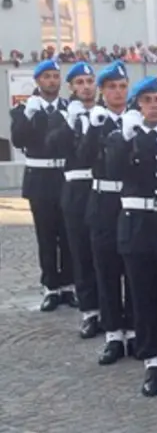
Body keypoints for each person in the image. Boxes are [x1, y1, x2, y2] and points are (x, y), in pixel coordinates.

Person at [106, 76, 157, 396]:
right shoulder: (120, 136)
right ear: (137, 105)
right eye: (147, 101)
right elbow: (112, 171)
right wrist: (127, 138)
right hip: (137, 223)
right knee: (142, 296)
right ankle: (152, 361)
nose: (154, 106)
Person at [80, 62, 135, 364]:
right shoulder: (95, 120)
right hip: (103, 201)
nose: (117, 92)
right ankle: (114, 334)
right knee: (107, 270)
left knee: (134, 272)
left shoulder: (136, 120)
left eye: (122, 86)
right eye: (111, 86)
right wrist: (92, 127)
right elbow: (82, 157)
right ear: (102, 91)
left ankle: (136, 329)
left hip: (130, 203)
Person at [10, 59, 73, 311]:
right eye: (46, 76)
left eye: (55, 76)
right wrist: (28, 115)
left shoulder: (70, 107)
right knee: (46, 236)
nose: (51, 81)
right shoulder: (24, 109)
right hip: (40, 179)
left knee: (68, 235)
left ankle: (69, 285)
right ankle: (51, 286)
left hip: (65, 177)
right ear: (37, 81)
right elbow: (17, 140)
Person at [46, 61, 102, 337]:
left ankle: (115, 309)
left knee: (106, 253)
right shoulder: (60, 115)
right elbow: (51, 144)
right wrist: (70, 124)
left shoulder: (107, 113)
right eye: (79, 83)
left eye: (89, 81)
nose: (85, 87)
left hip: (104, 188)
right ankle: (91, 312)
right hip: (76, 188)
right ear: (71, 87)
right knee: (80, 252)